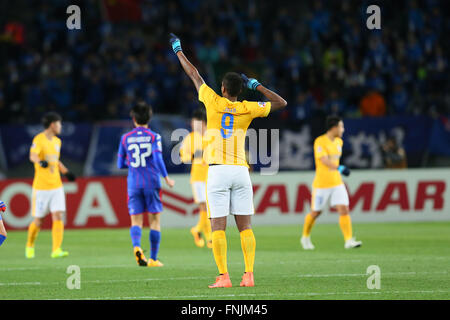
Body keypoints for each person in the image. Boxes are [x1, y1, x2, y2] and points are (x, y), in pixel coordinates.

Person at [170, 33, 287, 288]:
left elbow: (194, 75)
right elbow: (281, 102)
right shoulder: (247, 108)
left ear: (222, 89)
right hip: (241, 172)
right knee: (245, 227)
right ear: (239, 91)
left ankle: (224, 277)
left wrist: (178, 50)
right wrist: (257, 86)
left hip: (218, 173)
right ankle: (249, 275)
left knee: (218, 228)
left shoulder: (212, 101)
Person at [117, 101, 175, 267]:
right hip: (151, 182)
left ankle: (137, 247)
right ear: (149, 117)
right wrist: (166, 178)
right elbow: (157, 159)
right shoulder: (153, 137)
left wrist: (134, 164)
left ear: (133, 118)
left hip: (134, 183)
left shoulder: (125, 138)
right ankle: (153, 258)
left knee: (136, 221)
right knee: (155, 221)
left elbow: (120, 164)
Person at [301, 116, 362, 250]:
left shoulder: (339, 142)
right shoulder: (320, 141)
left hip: (337, 182)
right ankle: (305, 236)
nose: (343, 129)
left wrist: (337, 170)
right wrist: (339, 168)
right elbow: (323, 160)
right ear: (334, 128)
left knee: (344, 209)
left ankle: (348, 240)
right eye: (341, 127)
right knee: (316, 212)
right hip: (322, 184)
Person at [26, 112, 76, 259]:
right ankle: (29, 244)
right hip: (41, 187)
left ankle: (56, 249)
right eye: (59, 123)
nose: (61, 126)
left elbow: (56, 161)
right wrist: (39, 162)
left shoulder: (57, 142)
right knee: (38, 221)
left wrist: (66, 172)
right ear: (53, 124)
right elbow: (32, 155)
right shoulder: (39, 139)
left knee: (58, 215)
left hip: (56, 186)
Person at [179, 107, 212, 249]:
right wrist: (193, 156)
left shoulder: (212, 136)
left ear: (204, 123)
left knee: (209, 208)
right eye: (193, 123)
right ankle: (209, 237)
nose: (194, 126)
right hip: (198, 177)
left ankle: (199, 230)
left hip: (211, 176)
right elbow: (182, 155)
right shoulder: (190, 138)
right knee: (204, 206)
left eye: (197, 123)